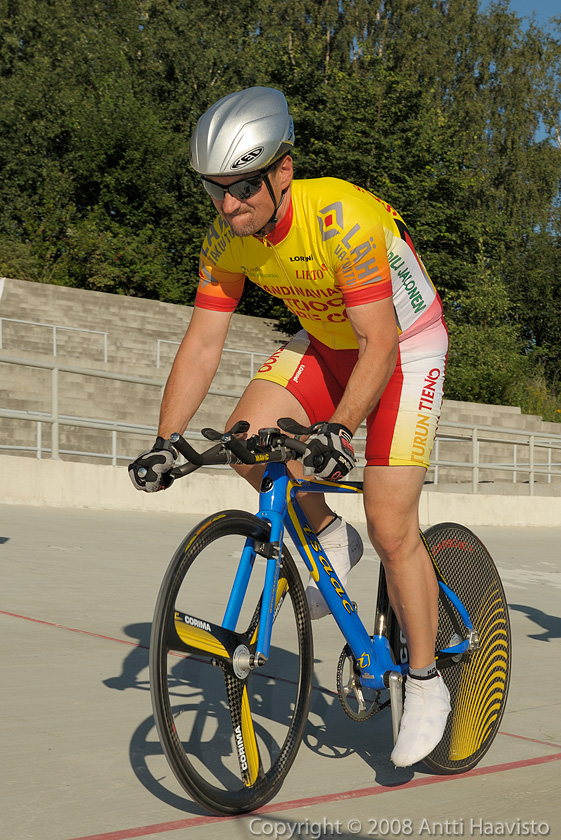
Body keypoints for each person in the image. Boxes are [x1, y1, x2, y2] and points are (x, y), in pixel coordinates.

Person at [129, 86, 450, 767]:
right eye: (212, 189)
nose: (226, 205)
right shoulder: (226, 237)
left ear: (282, 171)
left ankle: (424, 681)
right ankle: (329, 537)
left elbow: (381, 345)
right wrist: (166, 439)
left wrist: (337, 428)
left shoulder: (342, 220)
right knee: (246, 440)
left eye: (241, 186)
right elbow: (203, 341)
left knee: (392, 524)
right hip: (328, 341)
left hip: (403, 345)